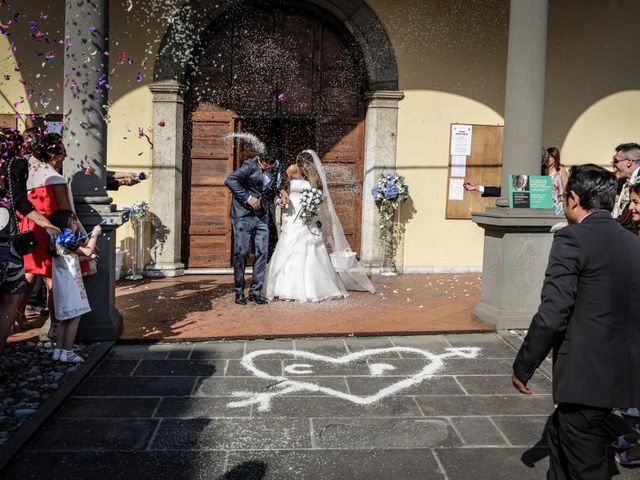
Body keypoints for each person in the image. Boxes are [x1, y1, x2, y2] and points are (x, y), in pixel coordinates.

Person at [511, 164, 640, 479]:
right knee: (561, 433)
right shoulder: (632, 242)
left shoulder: (572, 239)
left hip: (586, 373)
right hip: (622, 370)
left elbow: (553, 312)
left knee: (586, 458)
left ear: (572, 198)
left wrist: (523, 366)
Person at [0, 128, 60, 352]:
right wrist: (48, 224)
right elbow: (20, 202)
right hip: (5, 240)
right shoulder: (16, 164)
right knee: (9, 300)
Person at [16, 132, 78, 339]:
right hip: (50, 231)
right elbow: (65, 211)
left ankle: (16, 311)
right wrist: (74, 238)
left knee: (29, 274)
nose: (64, 156)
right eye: (62, 152)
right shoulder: (54, 178)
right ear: (52, 154)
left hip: (29, 229)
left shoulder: (28, 174)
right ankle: (54, 325)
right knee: (54, 280)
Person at [263, 151, 348, 302]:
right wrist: (284, 194)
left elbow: (320, 193)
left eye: (306, 166)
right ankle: (281, 286)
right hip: (292, 212)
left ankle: (314, 287)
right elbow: (280, 185)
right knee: (288, 242)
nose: (303, 168)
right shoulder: (292, 169)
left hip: (308, 214)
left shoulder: (314, 176)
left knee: (310, 246)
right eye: (302, 165)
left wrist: (313, 204)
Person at [224, 152, 276, 305]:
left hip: (261, 217)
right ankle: (239, 292)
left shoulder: (273, 167)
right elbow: (230, 181)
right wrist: (247, 197)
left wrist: (277, 198)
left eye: (272, 165)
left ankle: (255, 292)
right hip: (243, 215)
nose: (271, 168)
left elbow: (268, 190)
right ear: (262, 160)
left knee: (262, 252)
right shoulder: (248, 166)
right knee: (242, 252)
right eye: (268, 165)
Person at [48, 209, 101, 363]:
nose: (76, 223)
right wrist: (94, 235)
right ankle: (69, 351)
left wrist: (88, 257)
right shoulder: (66, 240)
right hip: (70, 285)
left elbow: (70, 258)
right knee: (74, 318)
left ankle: (59, 350)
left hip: (62, 284)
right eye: (73, 220)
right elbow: (87, 250)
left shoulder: (56, 240)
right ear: (65, 223)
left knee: (64, 319)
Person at [611, 142, 640, 231]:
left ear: (629, 162)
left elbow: (626, 218)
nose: (613, 165)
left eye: (616, 161)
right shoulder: (623, 181)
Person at [544, 147, 568, 215]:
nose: (547, 159)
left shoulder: (560, 170)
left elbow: (565, 188)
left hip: (558, 204)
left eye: (550, 157)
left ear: (555, 158)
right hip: (544, 202)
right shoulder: (542, 170)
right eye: (546, 157)